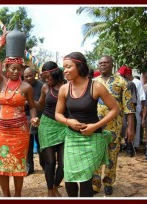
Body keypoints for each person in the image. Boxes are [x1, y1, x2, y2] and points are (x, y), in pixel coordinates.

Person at [54, 52, 119, 197]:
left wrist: (95, 126)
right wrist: (68, 121)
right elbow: (57, 114)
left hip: (92, 139)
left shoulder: (96, 86)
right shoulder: (64, 89)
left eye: (68, 67)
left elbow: (115, 109)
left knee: (85, 179)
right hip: (72, 138)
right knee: (69, 178)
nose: (65, 71)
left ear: (79, 66)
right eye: (64, 67)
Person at [0, 32, 39, 197]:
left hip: (20, 132)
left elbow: (31, 107)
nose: (16, 72)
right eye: (13, 69)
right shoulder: (2, 83)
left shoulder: (26, 88)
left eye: (19, 69)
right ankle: (6, 196)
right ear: (6, 70)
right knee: (2, 167)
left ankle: (17, 196)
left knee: (18, 166)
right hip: (3, 131)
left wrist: (34, 117)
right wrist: (1, 44)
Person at [92, 55, 135, 196]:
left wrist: (130, 127)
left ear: (112, 65)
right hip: (96, 125)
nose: (103, 65)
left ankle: (109, 182)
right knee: (96, 153)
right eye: (100, 63)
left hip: (114, 126)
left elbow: (128, 106)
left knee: (112, 155)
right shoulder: (93, 82)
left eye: (106, 63)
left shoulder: (122, 82)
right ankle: (95, 183)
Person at [34, 61, 67, 197]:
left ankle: (54, 186)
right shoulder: (45, 88)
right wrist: (29, 101)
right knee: (50, 162)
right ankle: (50, 191)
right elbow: (40, 105)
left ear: (56, 73)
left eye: (49, 76)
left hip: (64, 126)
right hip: (47, 126)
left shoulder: (68, 86)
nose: (46, 80)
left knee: (64, 162)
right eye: (45, 77)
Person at [23, 67, 45, 175]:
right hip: (26, 118)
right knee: (28, 144)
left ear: (35, 74)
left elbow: (42, 103)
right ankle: (29, 166)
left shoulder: (41, 86)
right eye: (26, 76)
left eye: (30, 75)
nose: (28, 78)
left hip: (40, 118)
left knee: (41, 143)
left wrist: (30, 102)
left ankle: (44, 164)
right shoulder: (22, 86)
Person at [119, 66, 146, 153]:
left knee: (130, 127)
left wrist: (141, 109)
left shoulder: (132, 83)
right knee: (124, 127)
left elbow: (137, 99)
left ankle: (131, 148)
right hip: (123, 109)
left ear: (126, 75)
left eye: (121, 75)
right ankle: (127, 147)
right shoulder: (121, 82)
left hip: (132, 110)